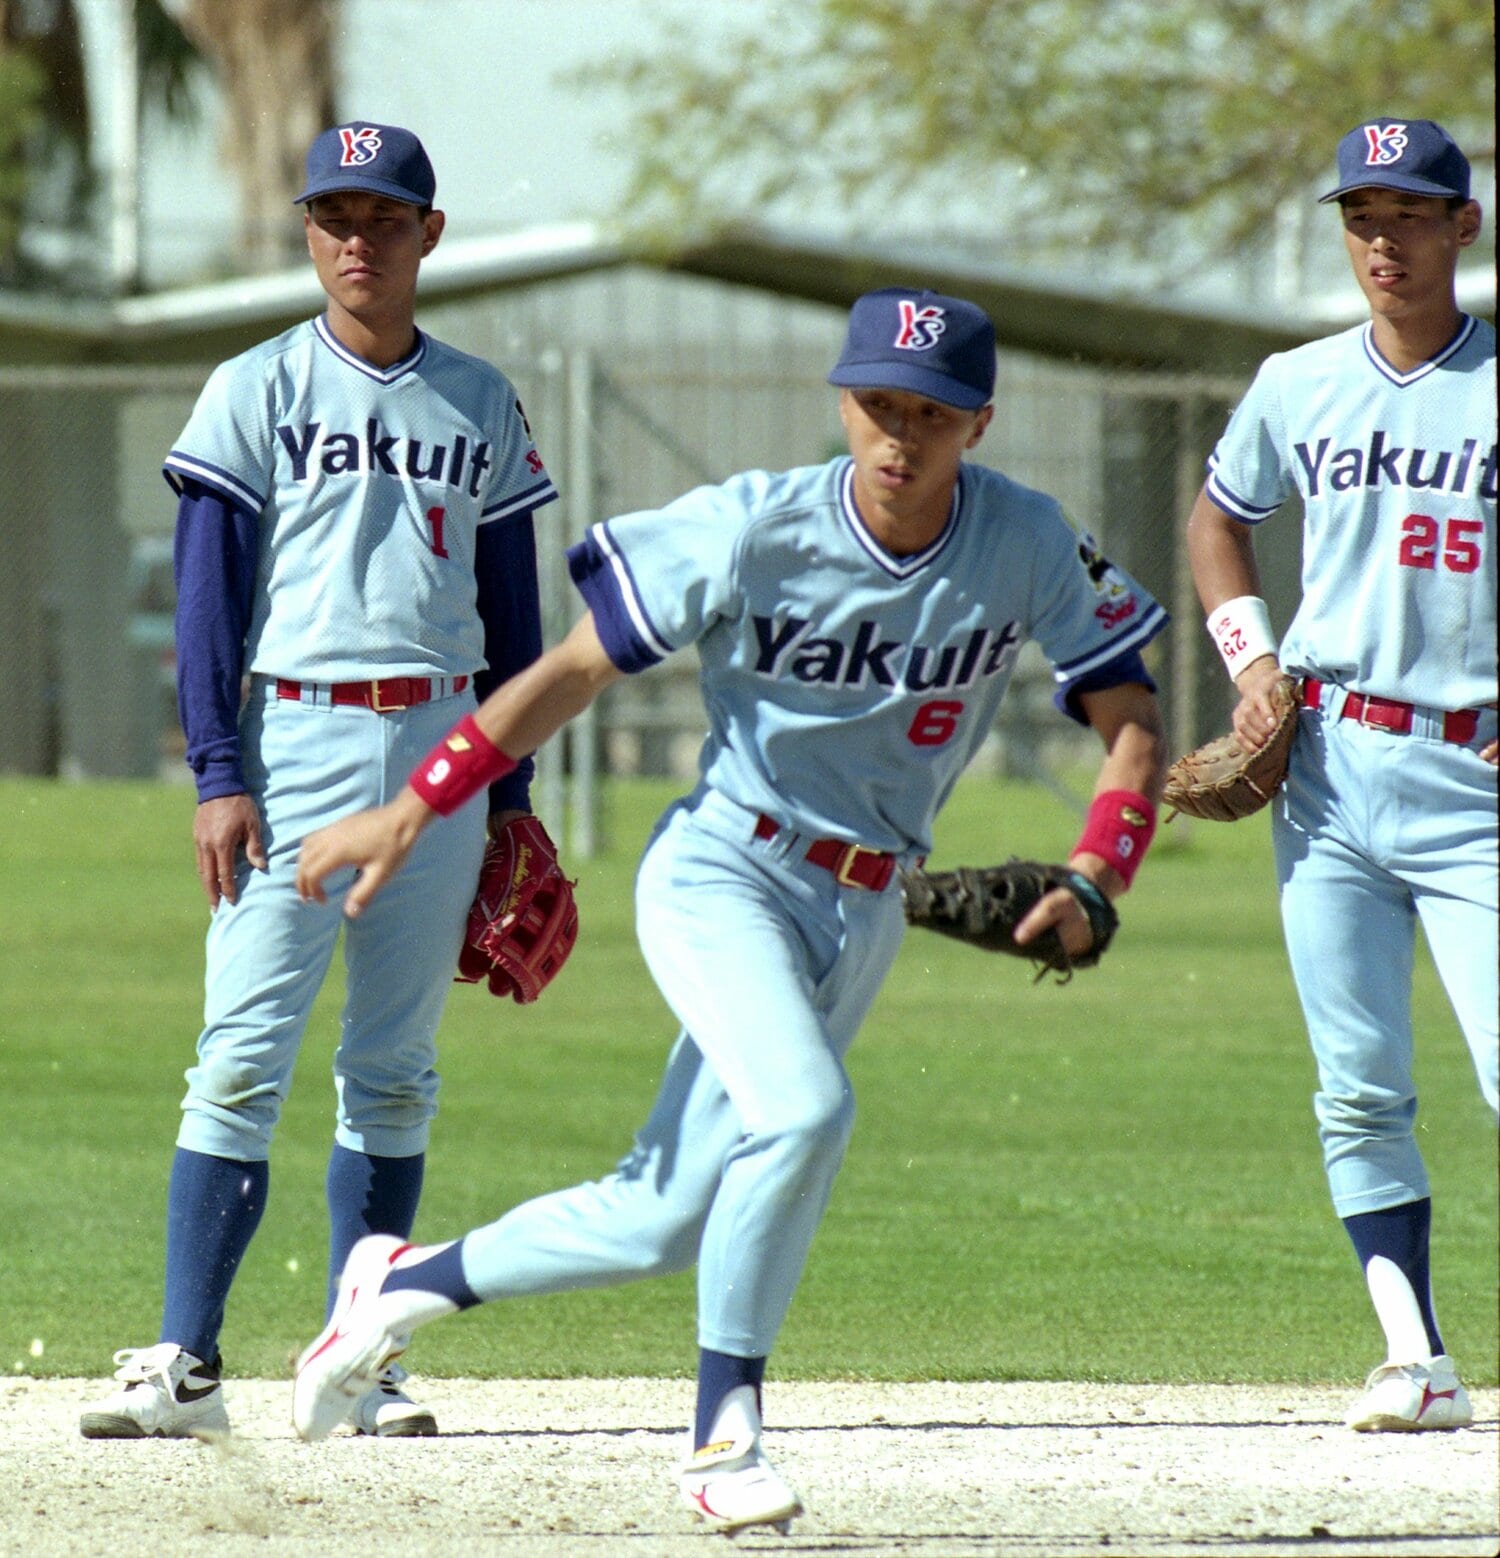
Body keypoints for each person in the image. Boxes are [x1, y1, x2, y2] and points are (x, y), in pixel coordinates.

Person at [290, 287, 1170, 1531]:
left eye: (929, 411)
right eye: (876, 403)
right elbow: (572, 670)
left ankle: (396, 1283)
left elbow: (1127, 717)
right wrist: (419, 806)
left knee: (657, 1216)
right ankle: (722, 1432)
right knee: (805, 1109)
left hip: (863, 909)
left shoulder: (1025, 539)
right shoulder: (758, 524)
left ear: (979, 419)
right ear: (842, 398)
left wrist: (1100, 868)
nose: (898, 435)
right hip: (724, 872)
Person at [79, 122, 560, 1442]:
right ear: (307, 232)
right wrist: (217, 770)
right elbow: (201, 604)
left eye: (384, 216)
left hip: (446, 746)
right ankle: (187, 1359)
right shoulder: (251, 389)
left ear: (428, 235)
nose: (359, 240)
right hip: (291, 739)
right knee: (238, 1057)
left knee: (395, 1069)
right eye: (334, 215)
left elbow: (514, 617)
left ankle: (365, 1358)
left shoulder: (480, 400)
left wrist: (512, 805)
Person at [1186, 117, 1496, 1432]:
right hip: (1329, 773)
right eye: (1361, 215)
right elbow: (1219, 515)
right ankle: (1413, 1351)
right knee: (1358, 1081)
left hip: (1476, 780)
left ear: (1461, 228)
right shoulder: (1298, 380)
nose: (1383, 237)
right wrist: (1251, 662)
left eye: (1409, 212)